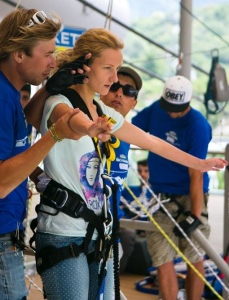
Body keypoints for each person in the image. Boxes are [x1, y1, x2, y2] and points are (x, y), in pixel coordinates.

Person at [33, 28, 227, 300]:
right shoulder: (59, 102)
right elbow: (70, 120)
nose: (114, 79)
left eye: (118, 69)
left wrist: (200, 163)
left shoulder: (105, 112)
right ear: (86, 66)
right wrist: (91, 129)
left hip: (102, 233)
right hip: (65, 233)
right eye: (109, 68)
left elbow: (151, 142)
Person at [0, 9, 110, 300]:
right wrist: (55, 134)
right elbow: (1, 182)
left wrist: (47, 89)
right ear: (19, 54)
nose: (53, 62)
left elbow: (10, 145)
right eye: (48, 54)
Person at [132, 75, 213, 300]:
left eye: (177, 109)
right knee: (161, 256)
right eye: (169, 107)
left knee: (194, 255)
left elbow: (196, 173)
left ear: (187, 103)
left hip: (191, 194)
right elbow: (130, 129)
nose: (172, 113)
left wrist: (195, 215)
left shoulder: (197, 125)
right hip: (160, 195)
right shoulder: (156, 110)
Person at [100, 65, 142, 274]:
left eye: (128, 91)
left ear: (134, 102)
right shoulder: (86, 123)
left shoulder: (127, 136)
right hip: (77, 232)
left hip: (109, 231)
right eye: (115, 85)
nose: (119, 93)